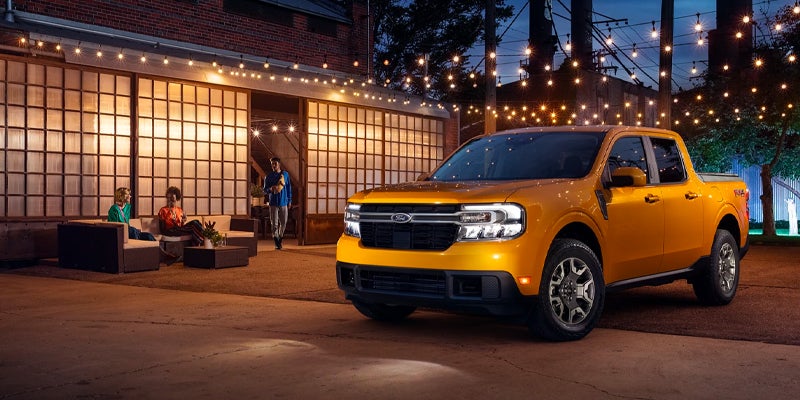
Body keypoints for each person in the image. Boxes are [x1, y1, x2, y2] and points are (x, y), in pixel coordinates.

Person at [109, 187, 178, 263]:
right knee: (132, 230)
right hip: (121, 233)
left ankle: (164, 255)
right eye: (129, 195)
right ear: (123, 196)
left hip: (129, 231)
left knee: (149, 236)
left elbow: (127, 223)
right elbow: (114, 225)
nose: (130, 196)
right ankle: (140, 257)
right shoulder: (114, 209)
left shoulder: (127, 207)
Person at [263, 157, 292, 249]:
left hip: (284, 202)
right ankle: (277, 241)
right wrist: (271, 189)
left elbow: (288, 188)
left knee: (283, 222)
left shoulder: (285, 175)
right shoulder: (268, 177)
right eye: (272, 164)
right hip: (273, 203)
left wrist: (289, 200)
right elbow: (264, 190)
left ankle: (280, 237)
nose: (273, 165)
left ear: (279, 164)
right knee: (274, 224)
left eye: (275, 163)